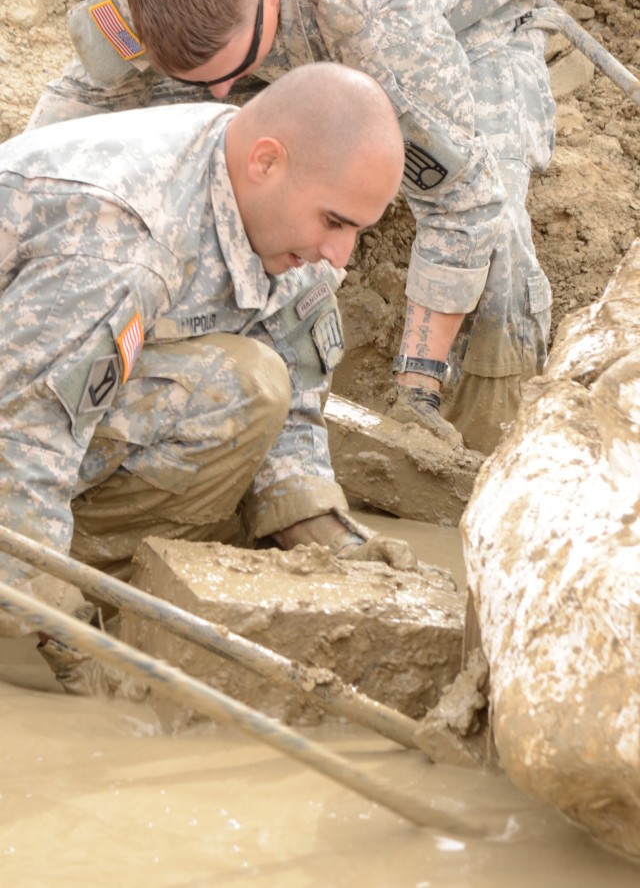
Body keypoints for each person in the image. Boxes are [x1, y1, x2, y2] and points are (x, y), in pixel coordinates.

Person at [26, 0, 557, 455]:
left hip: (472, 27)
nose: (221, 97)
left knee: (498, 226)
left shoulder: (384, 19)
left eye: (230, 75)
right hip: (282, 26)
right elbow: (87, 98)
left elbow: (462, 202)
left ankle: (500, 427)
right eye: (202, 80)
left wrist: (415, 390)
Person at [0, 61, 411, 694]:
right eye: (334, 222)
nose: (341, 253)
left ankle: (112, 573)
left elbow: (297, 396)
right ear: (266, 162)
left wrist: (331, 541)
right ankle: (80, 583)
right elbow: (22, 439)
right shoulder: (123, 239)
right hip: (17, 427)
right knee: (238, 384)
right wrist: (79, 646)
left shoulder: (272, 201)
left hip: (34, 411)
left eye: (358, 229)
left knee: (259, 388)